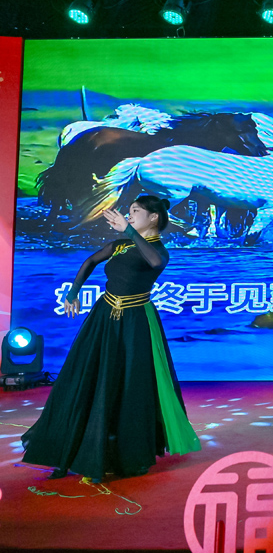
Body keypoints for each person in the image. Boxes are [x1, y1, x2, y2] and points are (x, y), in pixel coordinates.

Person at [22, 196, 200, 480]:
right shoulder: (119, 245)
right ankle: (70, 452)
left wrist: (128, 230)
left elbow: (155, 262)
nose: (129, 216)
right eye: (128, 212)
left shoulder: (157, 249)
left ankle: (124, 455)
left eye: (135, 211)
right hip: (103, 316)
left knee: (130, 385)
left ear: (153, 217)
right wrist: (73, 293)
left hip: (135, 322)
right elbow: (91, 260)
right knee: (87, 378)